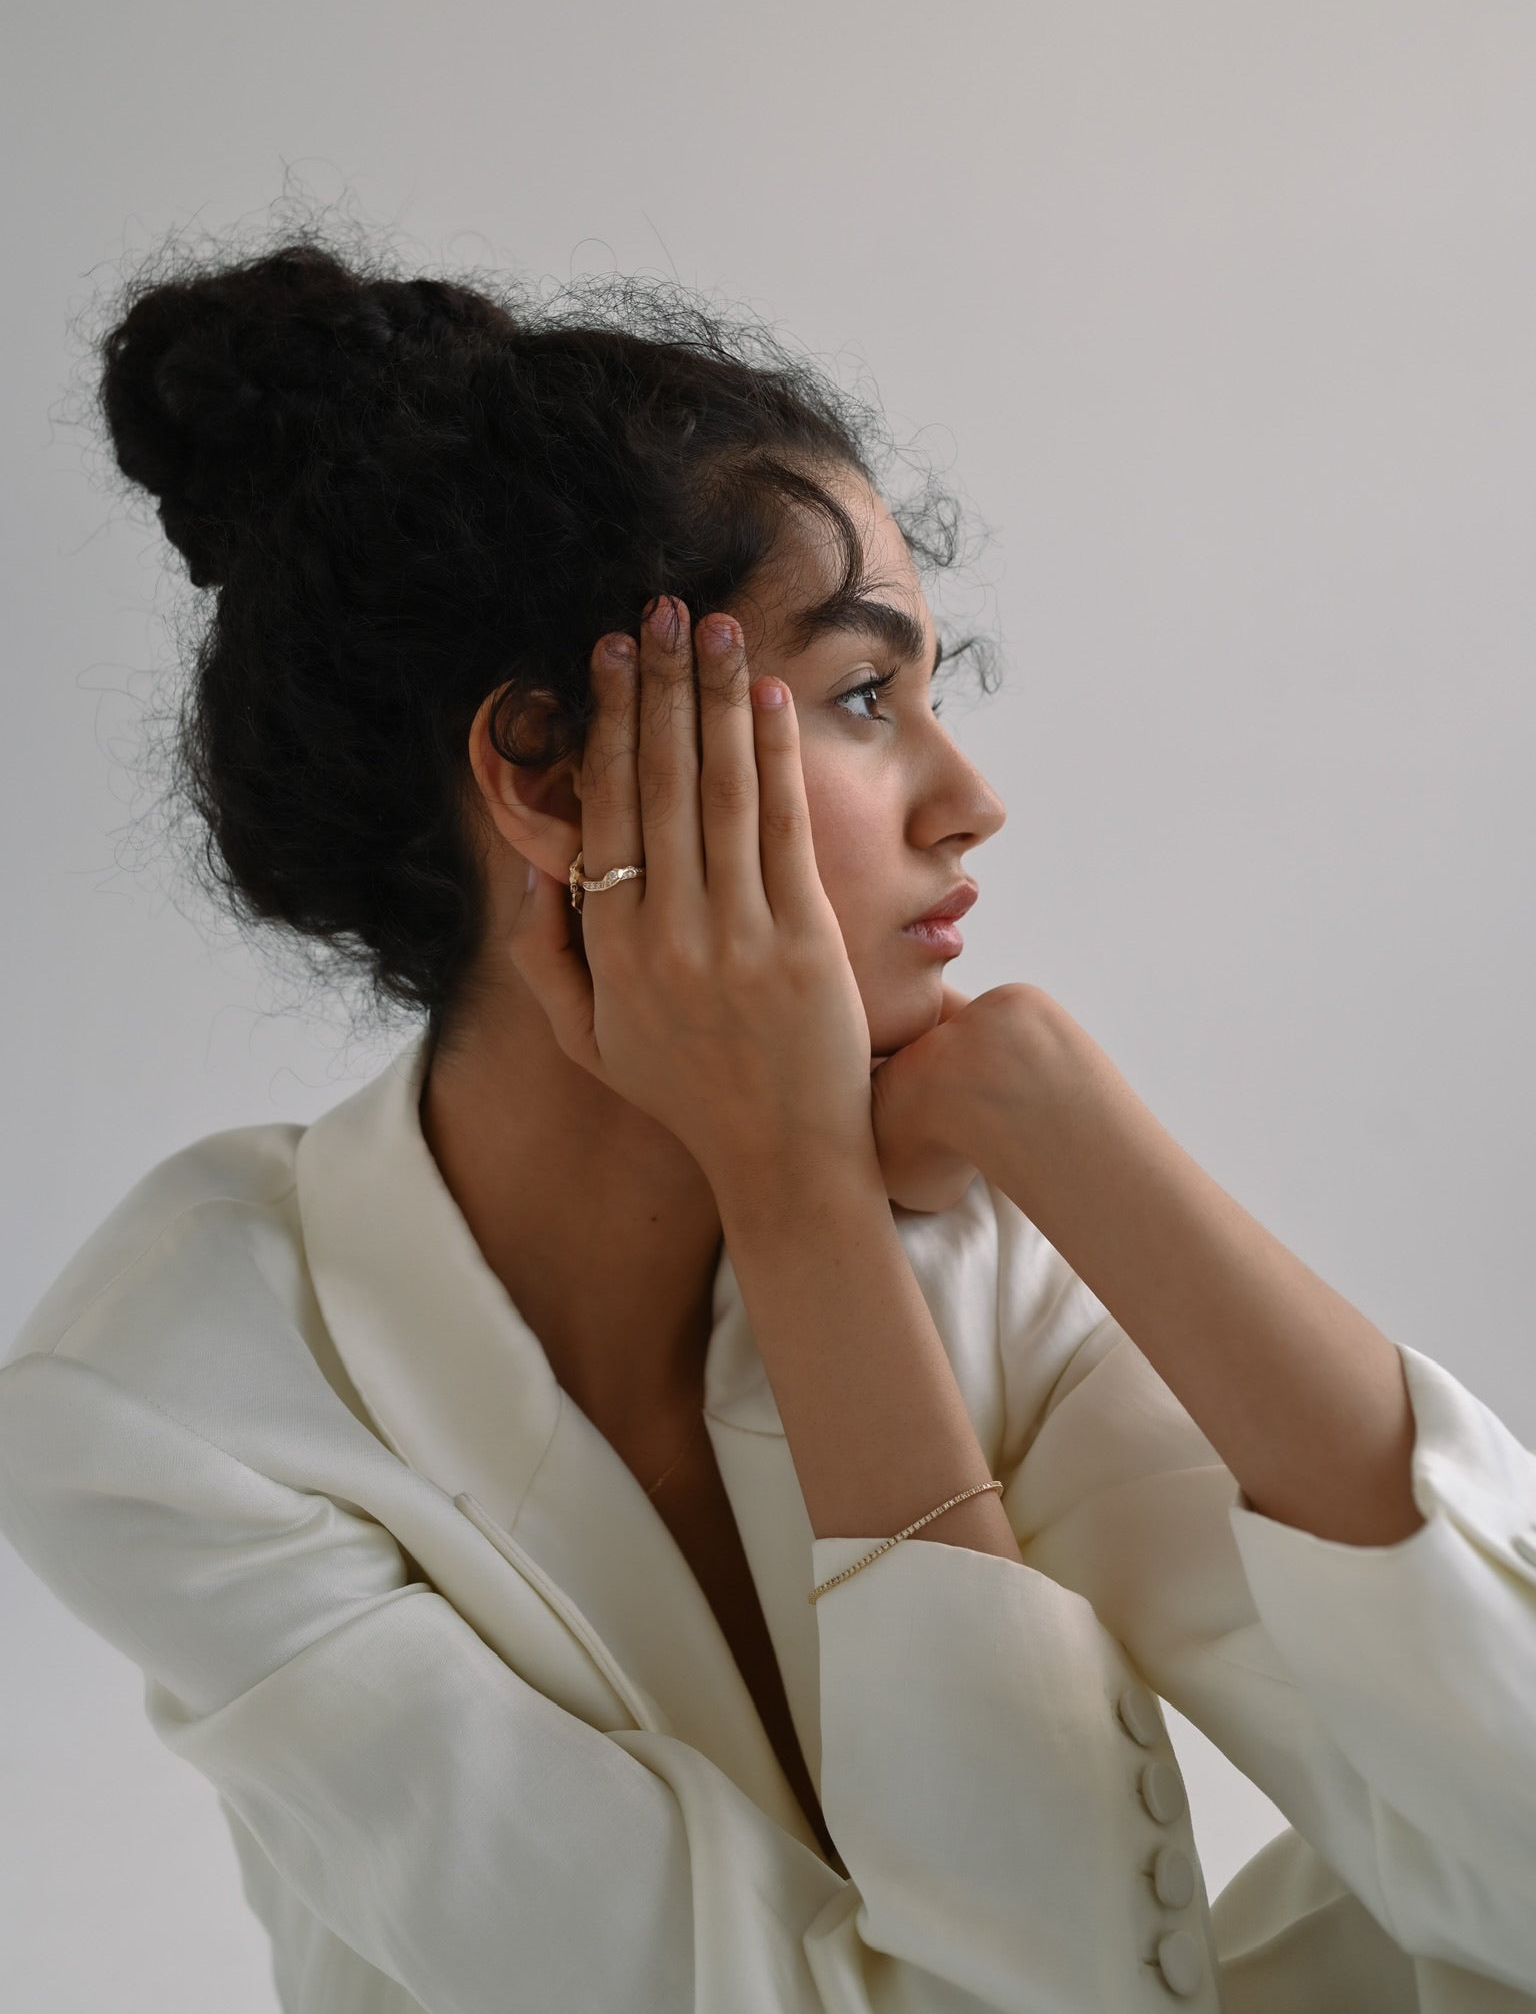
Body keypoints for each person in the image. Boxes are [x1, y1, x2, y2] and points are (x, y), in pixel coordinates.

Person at [1, 239, 1533, 2014]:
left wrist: (1053, 1110)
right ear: (552, 772)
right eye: (868, 697)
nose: (972, 802)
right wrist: (797, 1189)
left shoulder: (980, 1228)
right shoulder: (176, 1399)